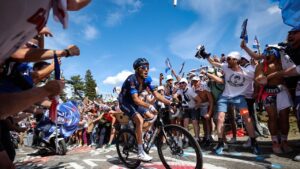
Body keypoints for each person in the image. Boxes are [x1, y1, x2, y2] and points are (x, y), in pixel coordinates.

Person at [118, 58, 172, 161]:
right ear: (137, 70)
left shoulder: (147, 80)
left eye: (148, 67)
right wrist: (149, 106)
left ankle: (139, 134)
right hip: (125, 102)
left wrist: (170, 103)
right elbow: (136, 100)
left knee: (153, 116)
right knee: (139, 119)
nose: (146, 70)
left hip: (134, 102)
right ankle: (140, 151)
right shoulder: (132, 80)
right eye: (143, 67)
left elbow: (156, 94)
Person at [207, 51, 260, 155]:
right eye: (226, 59)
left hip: (239, 98)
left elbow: (258, 80)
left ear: (236, 60)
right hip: (225, 97)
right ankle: (221, 143)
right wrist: (206, 56)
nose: (227, 60)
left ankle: (254, 142)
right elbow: (213, 63)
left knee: (246, 118)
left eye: (229, 59)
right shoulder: (226, 67)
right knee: (220, 118)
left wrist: (256, 92)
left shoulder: (247, 73)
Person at [173, 78, 202, 143]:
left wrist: (196, 107)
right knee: (185, 123)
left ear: (186, 83)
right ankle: (186, 138)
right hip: (186, 108)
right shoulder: (180, 90)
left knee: (195, 122)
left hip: (193, 108)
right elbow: (174, 96)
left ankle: (197, 138)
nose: (181, 84)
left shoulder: (190, 91)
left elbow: (199, 100)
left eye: (183, 83)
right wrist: (179, 102)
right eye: (180, 83)